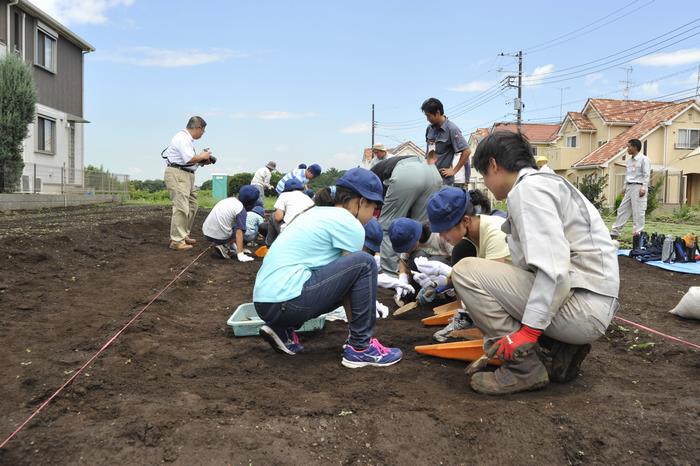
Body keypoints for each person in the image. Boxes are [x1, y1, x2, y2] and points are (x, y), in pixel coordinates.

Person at [446, 131, 619, 395]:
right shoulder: (545, 183)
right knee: (506, 274)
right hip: (589, 300)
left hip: (583, 308)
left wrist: (528, 332)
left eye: (485, 176)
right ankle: (559, 348)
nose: (487, 185)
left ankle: (522, 368)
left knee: (466, 272)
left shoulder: (528, 191)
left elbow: (554, 271)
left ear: (494, 165)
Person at [253, 168, 402, 368]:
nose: (373, 216)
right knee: (365, 263)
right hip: (287, 302)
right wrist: (361, 328)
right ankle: (360, 348)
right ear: (361, 202)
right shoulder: (350, 223)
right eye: (374, 209)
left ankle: (282, 330)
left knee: (350, 269)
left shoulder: (316, 213)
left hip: (265, 302)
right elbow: (354, 278)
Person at [415, 187, 511, 341]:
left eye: (445, 230)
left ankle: (499, 332)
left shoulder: (496, 232)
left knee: (463, 267)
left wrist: (469, 311)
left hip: (530, 301)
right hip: (509, 292)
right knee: (461, 257)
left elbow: (494, 285)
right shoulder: (469, 238)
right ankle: (472, 318)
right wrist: (439, 285)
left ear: (466, 220)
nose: (442, 236)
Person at [370, 154, 442, 277]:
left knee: (388, 227)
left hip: (407, 174)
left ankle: (390, 278)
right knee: (419, 229)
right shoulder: (380, 169)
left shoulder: (369, 179)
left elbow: (378, 219)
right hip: (432, 172)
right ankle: (418, 274)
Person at [162, 116, 213, 251]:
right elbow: (189, 158)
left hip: (187, 174)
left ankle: (183, 235)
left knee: (192, 205)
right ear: (198, 128)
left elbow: (189, 160)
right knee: (181, 207)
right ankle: (176, 241)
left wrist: (202, 160)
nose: (202, 133)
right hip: (178, 173)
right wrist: (203, 156)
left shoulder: (187, 140)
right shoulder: (182, 137)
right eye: (203, 131)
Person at [202, 185, 258, 262]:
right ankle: (225, 247)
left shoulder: (229, 200)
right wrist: (241, 254)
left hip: (206, 232)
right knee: (242, 228)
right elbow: (239, 232)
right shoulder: (241, 209)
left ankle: (233, 247)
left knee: (232, 223)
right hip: (218, 238)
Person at [422, 98, 470, 186]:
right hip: (429, 178)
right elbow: (428, 151)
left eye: (428, 116)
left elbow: (467, 151)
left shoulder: (452, 129)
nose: (427, 119)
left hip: (443, 182)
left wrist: (454, 170)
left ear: (437, 112)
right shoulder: (429, 129)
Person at [610, 139, 650, 239]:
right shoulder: (629, 161)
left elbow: (646, 175)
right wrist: (624, 187)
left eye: (629, 147)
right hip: (629, 186)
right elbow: (628, 175)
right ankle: (615, 231)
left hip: (638, 186)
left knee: (638, 211)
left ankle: (638, 233)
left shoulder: (644, 159)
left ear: (635, 147)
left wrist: (644, 188)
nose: (627, 149)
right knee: (622, 209)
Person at [266, 178, 315, 245]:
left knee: (273, 215)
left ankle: (269, 245)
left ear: (286, 189)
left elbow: (278, 217)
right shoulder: (308, 198)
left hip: (291, 232)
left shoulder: (284, 195)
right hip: (309, 233)